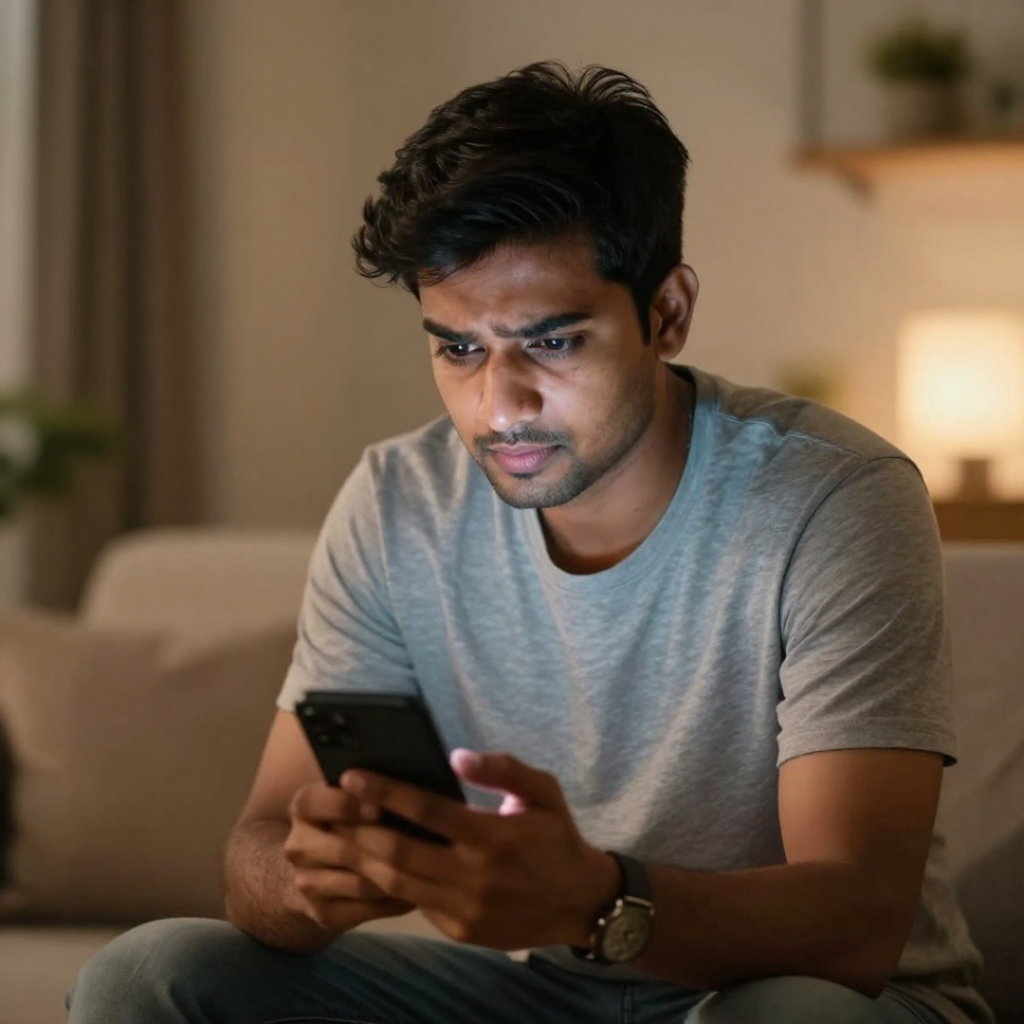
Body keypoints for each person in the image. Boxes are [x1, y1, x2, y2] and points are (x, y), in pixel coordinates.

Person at [67, 61, 992, 1024]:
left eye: (551, 342)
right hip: (548, 994)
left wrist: (594, 897)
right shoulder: (397, 503)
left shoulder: (833, 497)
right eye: (458, 348)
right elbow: (258, 851)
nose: (497, 407)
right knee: (150, 977)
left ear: (666, 312)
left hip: (805, 996)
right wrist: (314, 878)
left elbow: (857, 921)